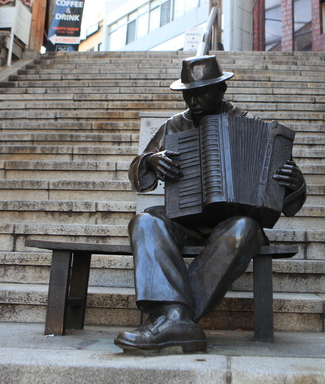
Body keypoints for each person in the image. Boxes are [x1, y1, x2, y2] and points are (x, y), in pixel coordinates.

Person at [114, 55, 306, 353]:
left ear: (222, 90)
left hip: (232, 224)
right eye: (188, 93)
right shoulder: (174, 126)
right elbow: (139, 173)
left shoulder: (253, 127)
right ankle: (178, 320)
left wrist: (296, 184)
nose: (193, 101)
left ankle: (174, 319)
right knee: (146, 221)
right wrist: (151, 161)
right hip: (183, 221)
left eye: (201, 92)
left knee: (245, 229)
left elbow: (287, 200)